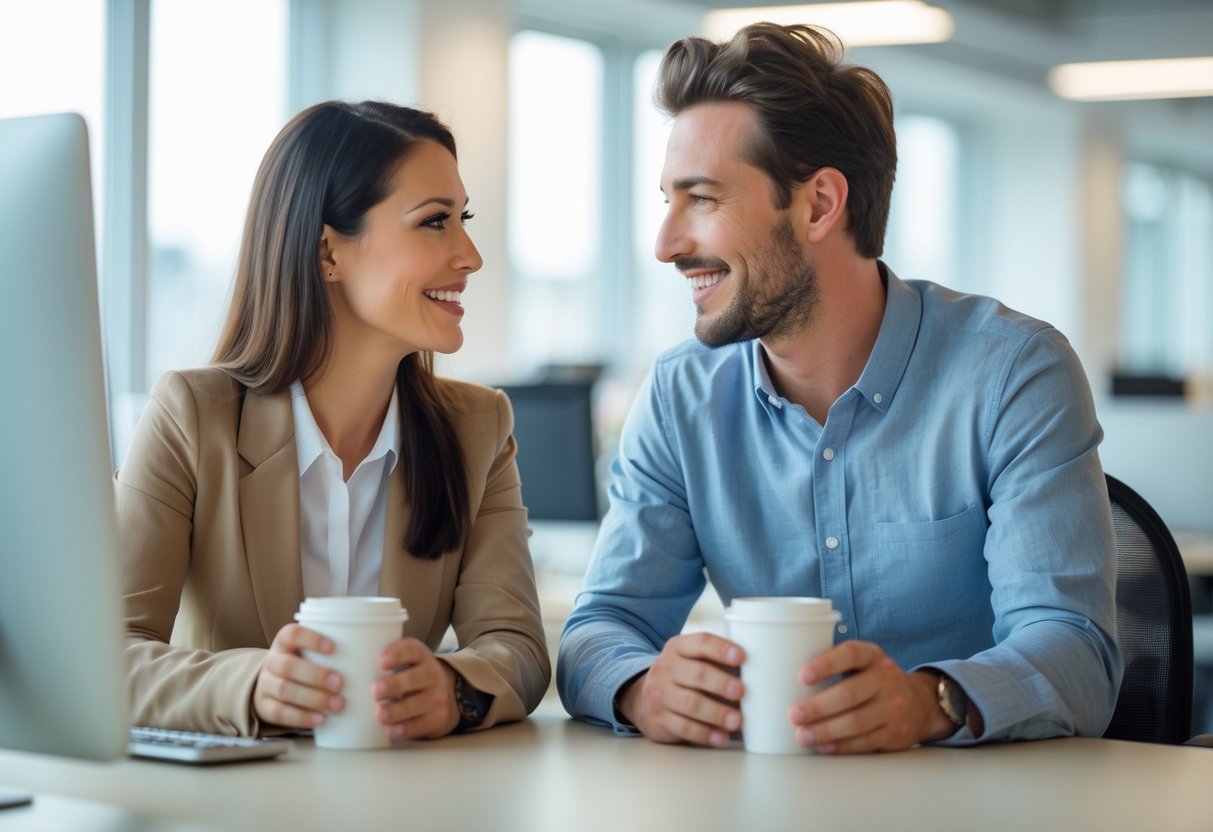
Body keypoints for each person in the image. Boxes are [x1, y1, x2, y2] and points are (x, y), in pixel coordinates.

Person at [557, 23, 1121, 753]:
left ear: (819, 204)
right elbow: (598, 630)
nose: (665, 243)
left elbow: (1078, 651)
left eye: (699, 199)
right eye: (667, 201)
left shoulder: (1012, 373)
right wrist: (639, 687)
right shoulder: (679, 395)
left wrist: (931, 700)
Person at [118, 100, 550, 740]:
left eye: (464, 219)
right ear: (328, 252)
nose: (470, 256)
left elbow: (516, 647)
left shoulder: (477, 428)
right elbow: (103, 653)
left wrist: (454, 689)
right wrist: (253, 685)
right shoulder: (192, 417)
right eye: (435, 222)